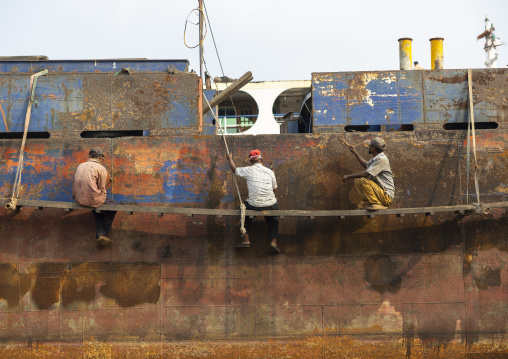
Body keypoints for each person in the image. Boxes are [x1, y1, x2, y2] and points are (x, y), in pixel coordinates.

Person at [226, 149, 280, 253]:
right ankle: (274, 242)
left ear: (251, 162)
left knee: (244, 214)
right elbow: (275, 189)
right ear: (261, 160)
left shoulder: (248, 170)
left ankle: (246, 241)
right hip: (270, 204)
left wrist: (229, 159)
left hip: (254, 204)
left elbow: (234, 169)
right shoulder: (270, 172)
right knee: (273, 218)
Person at [73, 148, 117, 247]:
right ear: (100, 157)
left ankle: (101, 234)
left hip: (79, 198)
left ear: (90, 156)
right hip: (92, 199)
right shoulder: (100, 168)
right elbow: (101, 188)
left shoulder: (80, 166)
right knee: (113, 205)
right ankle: (104, 233)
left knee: (98, 207)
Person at [342, 137, 395, 211]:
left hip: (386, 196)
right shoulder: (377, 158)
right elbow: (366, 165)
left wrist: (348, 176)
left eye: (370, 145)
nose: (368, 147)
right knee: (357, 180)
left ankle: (377, 203)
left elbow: (366, 173)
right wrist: (355, 152)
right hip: (381, 194)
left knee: (361, 180)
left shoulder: (381, 159)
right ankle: (372, 203)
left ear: (373, 148)